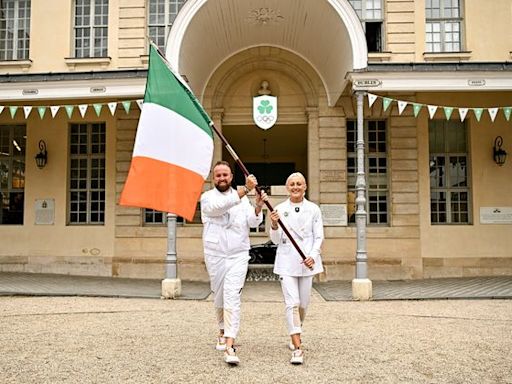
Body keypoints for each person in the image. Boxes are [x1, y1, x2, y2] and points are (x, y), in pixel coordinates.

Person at [200, 160, 267, 366]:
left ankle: (230, 343)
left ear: (231, 176)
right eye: (218, 175)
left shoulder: (243, 199)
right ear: (213, 177)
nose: (222, 178)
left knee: (232, 295)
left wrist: (257, 207)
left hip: (238, 254)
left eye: (225, 175)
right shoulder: (207, 198)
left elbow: (253, 222)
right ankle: (221, 329)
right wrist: (244, 191)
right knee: (218, 293)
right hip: (216, 254)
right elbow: (218, 209)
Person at [269, 172, 324, 365]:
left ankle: (296, 331)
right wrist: (274, 224)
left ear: (305, 186)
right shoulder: (279, 208)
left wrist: (313, 256)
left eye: (299, 184)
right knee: (292, 303)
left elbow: (318, 236)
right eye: (292, 184)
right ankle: (297, 347)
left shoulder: (314, 209)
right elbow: (275, 240)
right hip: (286, 262)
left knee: (303, 305)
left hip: (307, 261)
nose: (295, 187)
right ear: (287, 187)